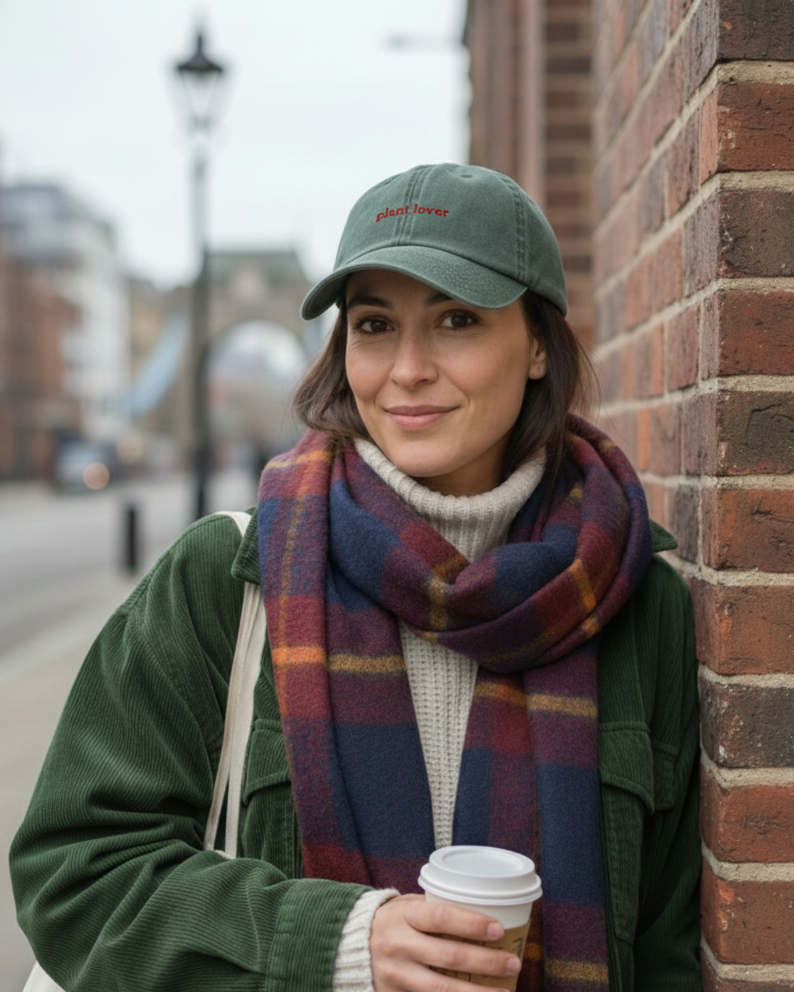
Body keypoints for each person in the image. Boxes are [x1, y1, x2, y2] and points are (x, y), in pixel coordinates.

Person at [10, 163, 701, 992]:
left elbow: (667, 948)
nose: (406, 369)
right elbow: (74, 875)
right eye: (374, 325)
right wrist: (336, 943)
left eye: (456, 320)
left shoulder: (636, 601)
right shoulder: (230, 578)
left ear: (540, 350)